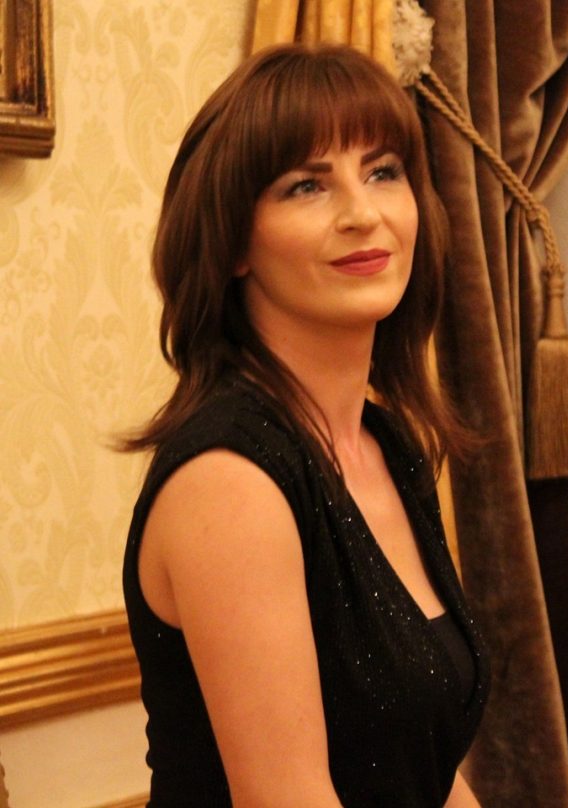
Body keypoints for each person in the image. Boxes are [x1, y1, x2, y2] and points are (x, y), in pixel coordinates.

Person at [121, 42, 490, 807]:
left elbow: (429, 771)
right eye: (307, 186)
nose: (363, 214)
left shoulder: (390, 446)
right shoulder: (231, 479)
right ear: (232, 243)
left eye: (382, 172)